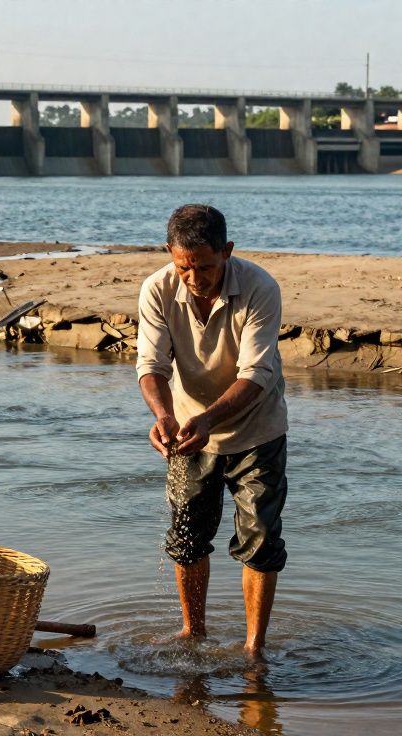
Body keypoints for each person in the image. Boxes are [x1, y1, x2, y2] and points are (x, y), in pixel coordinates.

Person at [135, 203, 288, 659]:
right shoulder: (157, 289)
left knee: (259, 538)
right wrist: (164, 416)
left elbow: (257, 373)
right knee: (186, 534)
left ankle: (253, 647)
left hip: (256, 429)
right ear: (170, 254)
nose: (195, 277)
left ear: (227, 251)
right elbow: (151, 365)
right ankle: (192, 630)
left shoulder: (261, 288)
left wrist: (209, 419)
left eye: (204, 266)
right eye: (184, 267)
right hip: (186, 428)